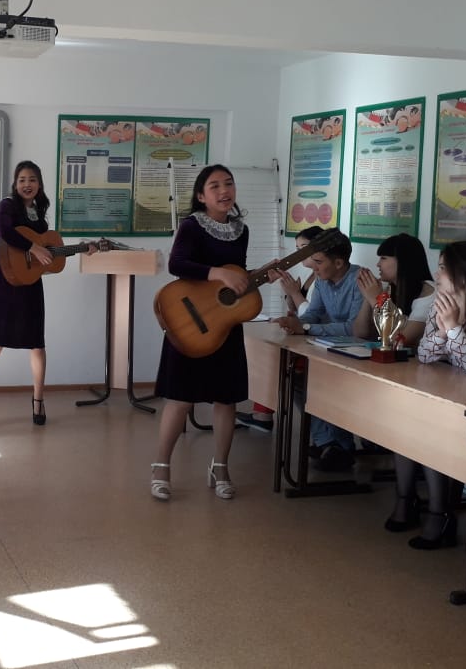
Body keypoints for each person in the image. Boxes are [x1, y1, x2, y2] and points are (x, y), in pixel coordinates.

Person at [151, 164, 254, 501]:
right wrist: (218, 273)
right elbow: (177, 264)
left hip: (225, 325)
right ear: (200, 195)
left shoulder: (242, 230)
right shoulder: (192, 226)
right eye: (215, 186)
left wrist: (246, 280)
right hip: (189, 322)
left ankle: (220, 467)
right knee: (180, 398)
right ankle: (161, 467)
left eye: (229, 184)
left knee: (227, 399)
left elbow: (236, 275)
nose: (224, 191)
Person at [0, 160, 96, 427]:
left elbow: (46, 256)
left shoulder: (39, 214)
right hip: (4, 279)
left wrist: (83, 248)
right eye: (22, 180)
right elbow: (5, 231)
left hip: (30, 282)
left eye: (32, 180)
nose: (27, 184)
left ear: (39, 184)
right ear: (15, 184)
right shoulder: (6, 205)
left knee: (37, 344)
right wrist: (33, 247)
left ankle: (38, 401)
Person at [387, 241, 466, 549]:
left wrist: (453, 329)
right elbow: (424, 354)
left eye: (444, 267)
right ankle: (406, 500)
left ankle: (440, 515)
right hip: (450, 395)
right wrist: (446, 329)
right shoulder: (442, 303)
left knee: (429, 431)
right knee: (406, 424)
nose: (437, 274)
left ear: (465, 273)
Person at [273, 230, 363, 471]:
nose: (313, 267)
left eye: (318, 261)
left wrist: (306, 327)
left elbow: (354, 329)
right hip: (329, 350)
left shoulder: (359, 280)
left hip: (358, 354)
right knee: (297, 381)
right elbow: (313, 314)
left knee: (326, 387)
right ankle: (328, 442)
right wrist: (295, 323)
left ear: (339, 263)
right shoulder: (323, 280)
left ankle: (339, 445)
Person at [236, 225, 324, 433]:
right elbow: (302, 312)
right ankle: (262, 413)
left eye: (304, 248)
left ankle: (263, 415)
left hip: (315, 341)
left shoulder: (322, 277)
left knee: (272, 356)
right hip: (304, 334)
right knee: (266, 349)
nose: (300, 253)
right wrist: (290, 300)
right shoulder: (311, 276)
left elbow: (313, 316)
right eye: (297, 248)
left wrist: (295, 294)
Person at [352, 233, 434, 345]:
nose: (378, 264)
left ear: (403, 261)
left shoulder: (429, 294)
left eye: (383, 258)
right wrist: (368, 296)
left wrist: (376, 300)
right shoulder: (387, 288)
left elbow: (399, 340)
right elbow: (360, 333)